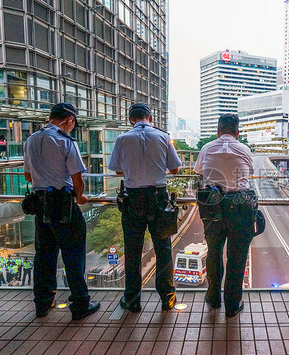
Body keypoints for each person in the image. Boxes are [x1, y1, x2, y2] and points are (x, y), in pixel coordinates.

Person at [23, 102, 100, 320]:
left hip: (40, 203)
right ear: (69, 120)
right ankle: (80, 303)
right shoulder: (65, 141)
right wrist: (79, 195)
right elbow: (77, 179)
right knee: (74, 254)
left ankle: (43, 303)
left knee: (44, 255)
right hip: (63, 204)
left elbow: (28, 176)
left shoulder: (31, 139)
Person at [108, 103, 181, 313]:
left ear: (131, 119)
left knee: (132, 251)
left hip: (133, 199)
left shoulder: (122, 139)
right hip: (159, 198)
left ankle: (132, 300)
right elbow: (175, 169)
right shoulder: (163, 137)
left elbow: (117, 171)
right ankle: (167, 298)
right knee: (163, 249)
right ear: (150, 118)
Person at [193, 114, 256, 318]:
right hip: (240, 206)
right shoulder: (244, 149)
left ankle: (213, 298)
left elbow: (199, 171)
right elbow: (250, 172)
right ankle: (232, 303)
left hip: (213, 206)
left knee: (214, 253)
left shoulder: (207, 148)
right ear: (237, 132)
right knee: (237, 257)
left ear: (218, 131)